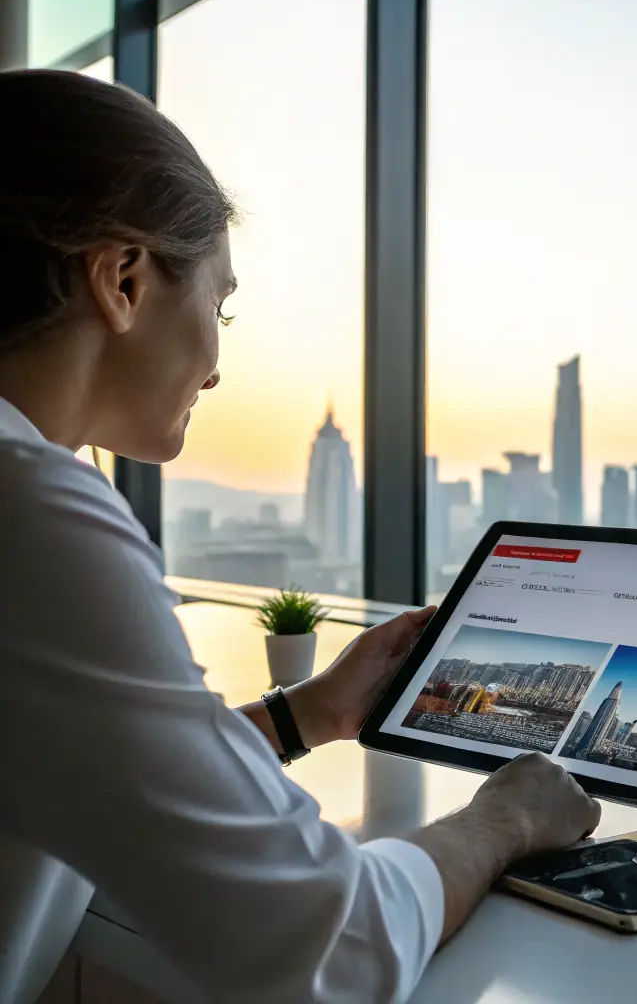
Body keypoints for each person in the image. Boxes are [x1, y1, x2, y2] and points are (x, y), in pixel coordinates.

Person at [0, 69, 601, 1003]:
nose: (215, 365)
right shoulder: (32, 512)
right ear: (122, 280)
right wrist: (505, 820)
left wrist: (305, 715)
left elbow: (82, 763)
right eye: (220, 306)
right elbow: (330, 952)